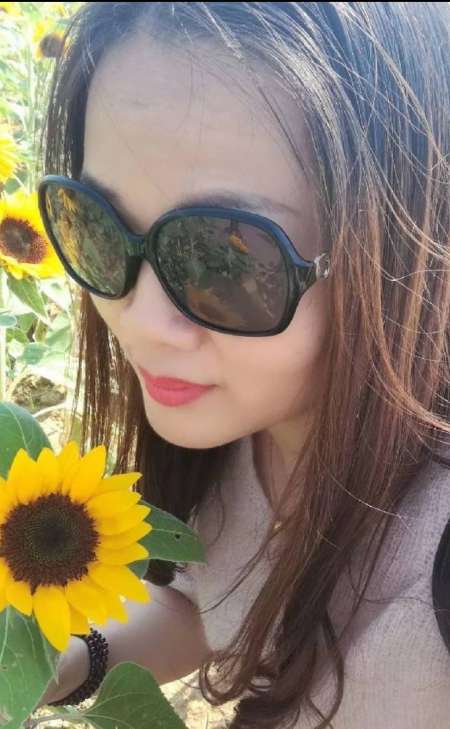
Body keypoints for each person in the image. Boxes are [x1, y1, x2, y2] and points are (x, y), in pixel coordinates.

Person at [36, 2, 450, 727]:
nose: (141, 321)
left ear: (398, 252)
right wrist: (57, 662)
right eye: (95, 221)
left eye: (227, 259)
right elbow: (209, 600)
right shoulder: (235, 424)